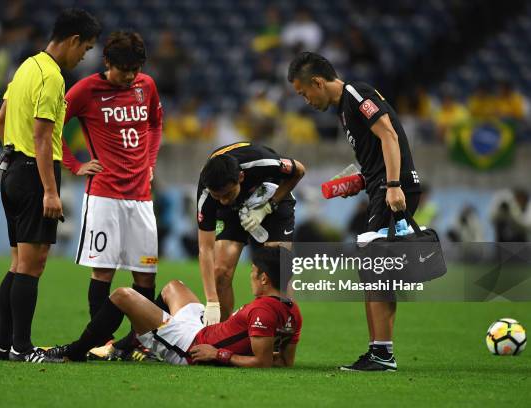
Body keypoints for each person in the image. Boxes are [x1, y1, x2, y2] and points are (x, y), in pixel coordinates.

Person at [288, 52, 421, 371]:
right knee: (374, 273)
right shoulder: (345, 111)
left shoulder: (357, 93)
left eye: (304, 92)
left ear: (318, 82)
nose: (305, 100)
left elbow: (389, 134)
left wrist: (391, 185)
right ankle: (378, 351)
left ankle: (383, 355)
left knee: (378, 273)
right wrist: (359, 181)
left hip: (392, 192)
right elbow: (377, 154)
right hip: (380, 190)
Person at [0, 8, 101, 363]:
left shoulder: (25, 67)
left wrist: (15, 157)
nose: (82, 56)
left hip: (12, 169)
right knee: (33, 265)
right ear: (72, 41)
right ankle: (22, 349)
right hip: (34, 173)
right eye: (84, 49)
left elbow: (1, 121)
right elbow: (42, 137)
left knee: (17, 263)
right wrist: (50, 190)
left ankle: (3, 345)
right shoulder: (53, 77)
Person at [61, 31, 163, 360]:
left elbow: (155, 123)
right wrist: (74, 164)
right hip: (104, 196)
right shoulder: (87, 90)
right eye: (123, 70)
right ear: (107, 63)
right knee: (103, 272)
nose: (130, 77)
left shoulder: (145, 85)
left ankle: (136, 343)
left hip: (141, 198)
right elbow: (50, 126)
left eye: (134, 70)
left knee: (145, 274)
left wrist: (149, 163)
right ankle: (100, 341)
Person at [46, 246, 302, 367]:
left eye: (254, 272)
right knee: (173, 286)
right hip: (204, 329)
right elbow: (285, 361)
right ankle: (130, 345)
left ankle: (76, 351)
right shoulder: (292, 310)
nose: (251, 276)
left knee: (123, 295)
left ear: (265, 278)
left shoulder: (263, 311)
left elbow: (263, 361)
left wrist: (220, 355)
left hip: (190, 346)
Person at [197, 143, 305, 325]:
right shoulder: (208, 193)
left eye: (226, 193)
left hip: (272, 194)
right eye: (218, 196)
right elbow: (205, 248)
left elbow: (299, 170)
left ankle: (279, 334)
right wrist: (212, 301)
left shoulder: (263, 162)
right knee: (221, 272)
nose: (222, 200)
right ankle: (222, 333)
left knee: (276, 271)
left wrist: (269, 206)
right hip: (233, 210)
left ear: (241, 177)